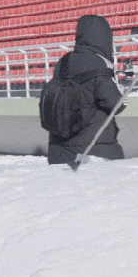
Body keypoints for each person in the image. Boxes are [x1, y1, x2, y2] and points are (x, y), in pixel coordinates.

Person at [45, 14, 125, 166]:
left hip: (58, 149)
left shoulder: (62, 62)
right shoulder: (99, 61)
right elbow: (115, 103)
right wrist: (122, 93)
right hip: (94, 149)